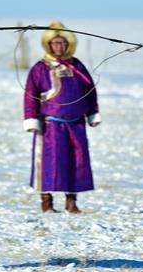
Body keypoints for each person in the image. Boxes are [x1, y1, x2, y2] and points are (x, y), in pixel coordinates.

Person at [23, 21, 100, 213]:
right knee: (50, 163)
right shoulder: (40, 68)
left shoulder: (77, 66)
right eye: (56, 43)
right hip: (50, 125)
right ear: (49, 45)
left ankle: (71, 202)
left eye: (63, 43)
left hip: (76, 124)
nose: (60, 46)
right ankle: (46, 202)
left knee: (76, 162)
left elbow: (90, 91)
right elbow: (31, 94)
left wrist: (92, 113)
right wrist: (31, 119)